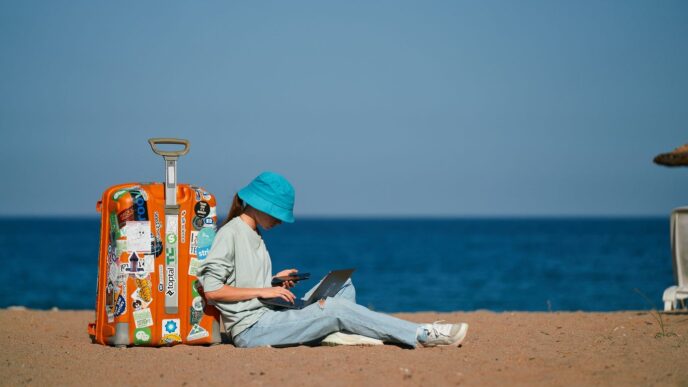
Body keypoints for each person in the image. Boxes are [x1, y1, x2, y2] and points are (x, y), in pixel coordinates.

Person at [196, 171, 469, 348]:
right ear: (258, 205)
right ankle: (423, 334)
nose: (279, 221)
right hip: (253, 329)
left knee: (343, 286)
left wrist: (275, 280)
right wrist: (264, 289)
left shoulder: (253, 232)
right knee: (336, 310)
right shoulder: (231, 233)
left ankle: (330, 333)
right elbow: (213, 290)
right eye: (277, 214)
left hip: (271, 313)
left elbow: (240, 280)